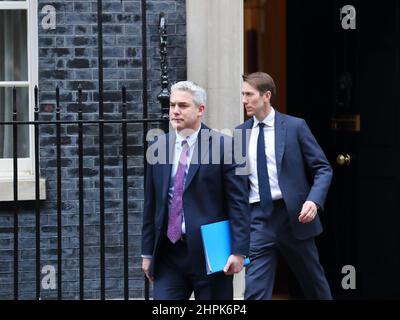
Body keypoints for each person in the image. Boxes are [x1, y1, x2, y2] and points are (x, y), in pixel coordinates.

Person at [141, 81, 250, 300]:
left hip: (211, 254)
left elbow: (238, 204)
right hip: (169, 254)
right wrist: (147, 253)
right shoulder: (157, 147)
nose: (175, 111)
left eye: (183, 105)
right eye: (172, 105)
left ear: (200, 110)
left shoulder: (226, 147)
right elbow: (150, 204)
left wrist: (239, 252)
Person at [236, 72, 333, 300]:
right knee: (254, 292)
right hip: (258, 219)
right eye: (242, 94)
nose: (244, 100)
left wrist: (313, 200)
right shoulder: (240, 133)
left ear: (266, 95)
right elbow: (237, 182)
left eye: (249, 94)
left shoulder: (295, 127)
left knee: (314, 285)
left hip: (294, 218)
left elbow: (323, 168)